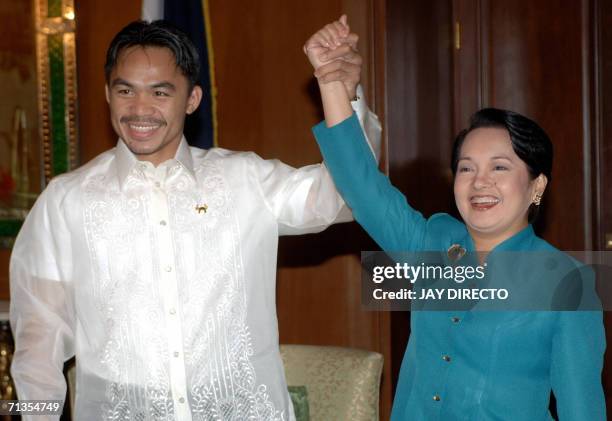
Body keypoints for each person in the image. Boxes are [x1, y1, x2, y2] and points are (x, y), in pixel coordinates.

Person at [9, 19, 380, 420]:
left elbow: (346, 196)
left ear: (192, 98)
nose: (139, 110)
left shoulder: (245, 181)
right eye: (125, 91)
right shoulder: (66, 202)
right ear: (107, 95)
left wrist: (343, 94)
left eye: (160, 92)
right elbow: (36, 345)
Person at [305, 17, 606, 421]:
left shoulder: (567, 283)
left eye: (500, 168)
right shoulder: (434, 241)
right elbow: (362, 188)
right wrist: (330, 81)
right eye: (467, 168)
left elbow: (581, 409)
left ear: (536, 186)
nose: (480, 182)